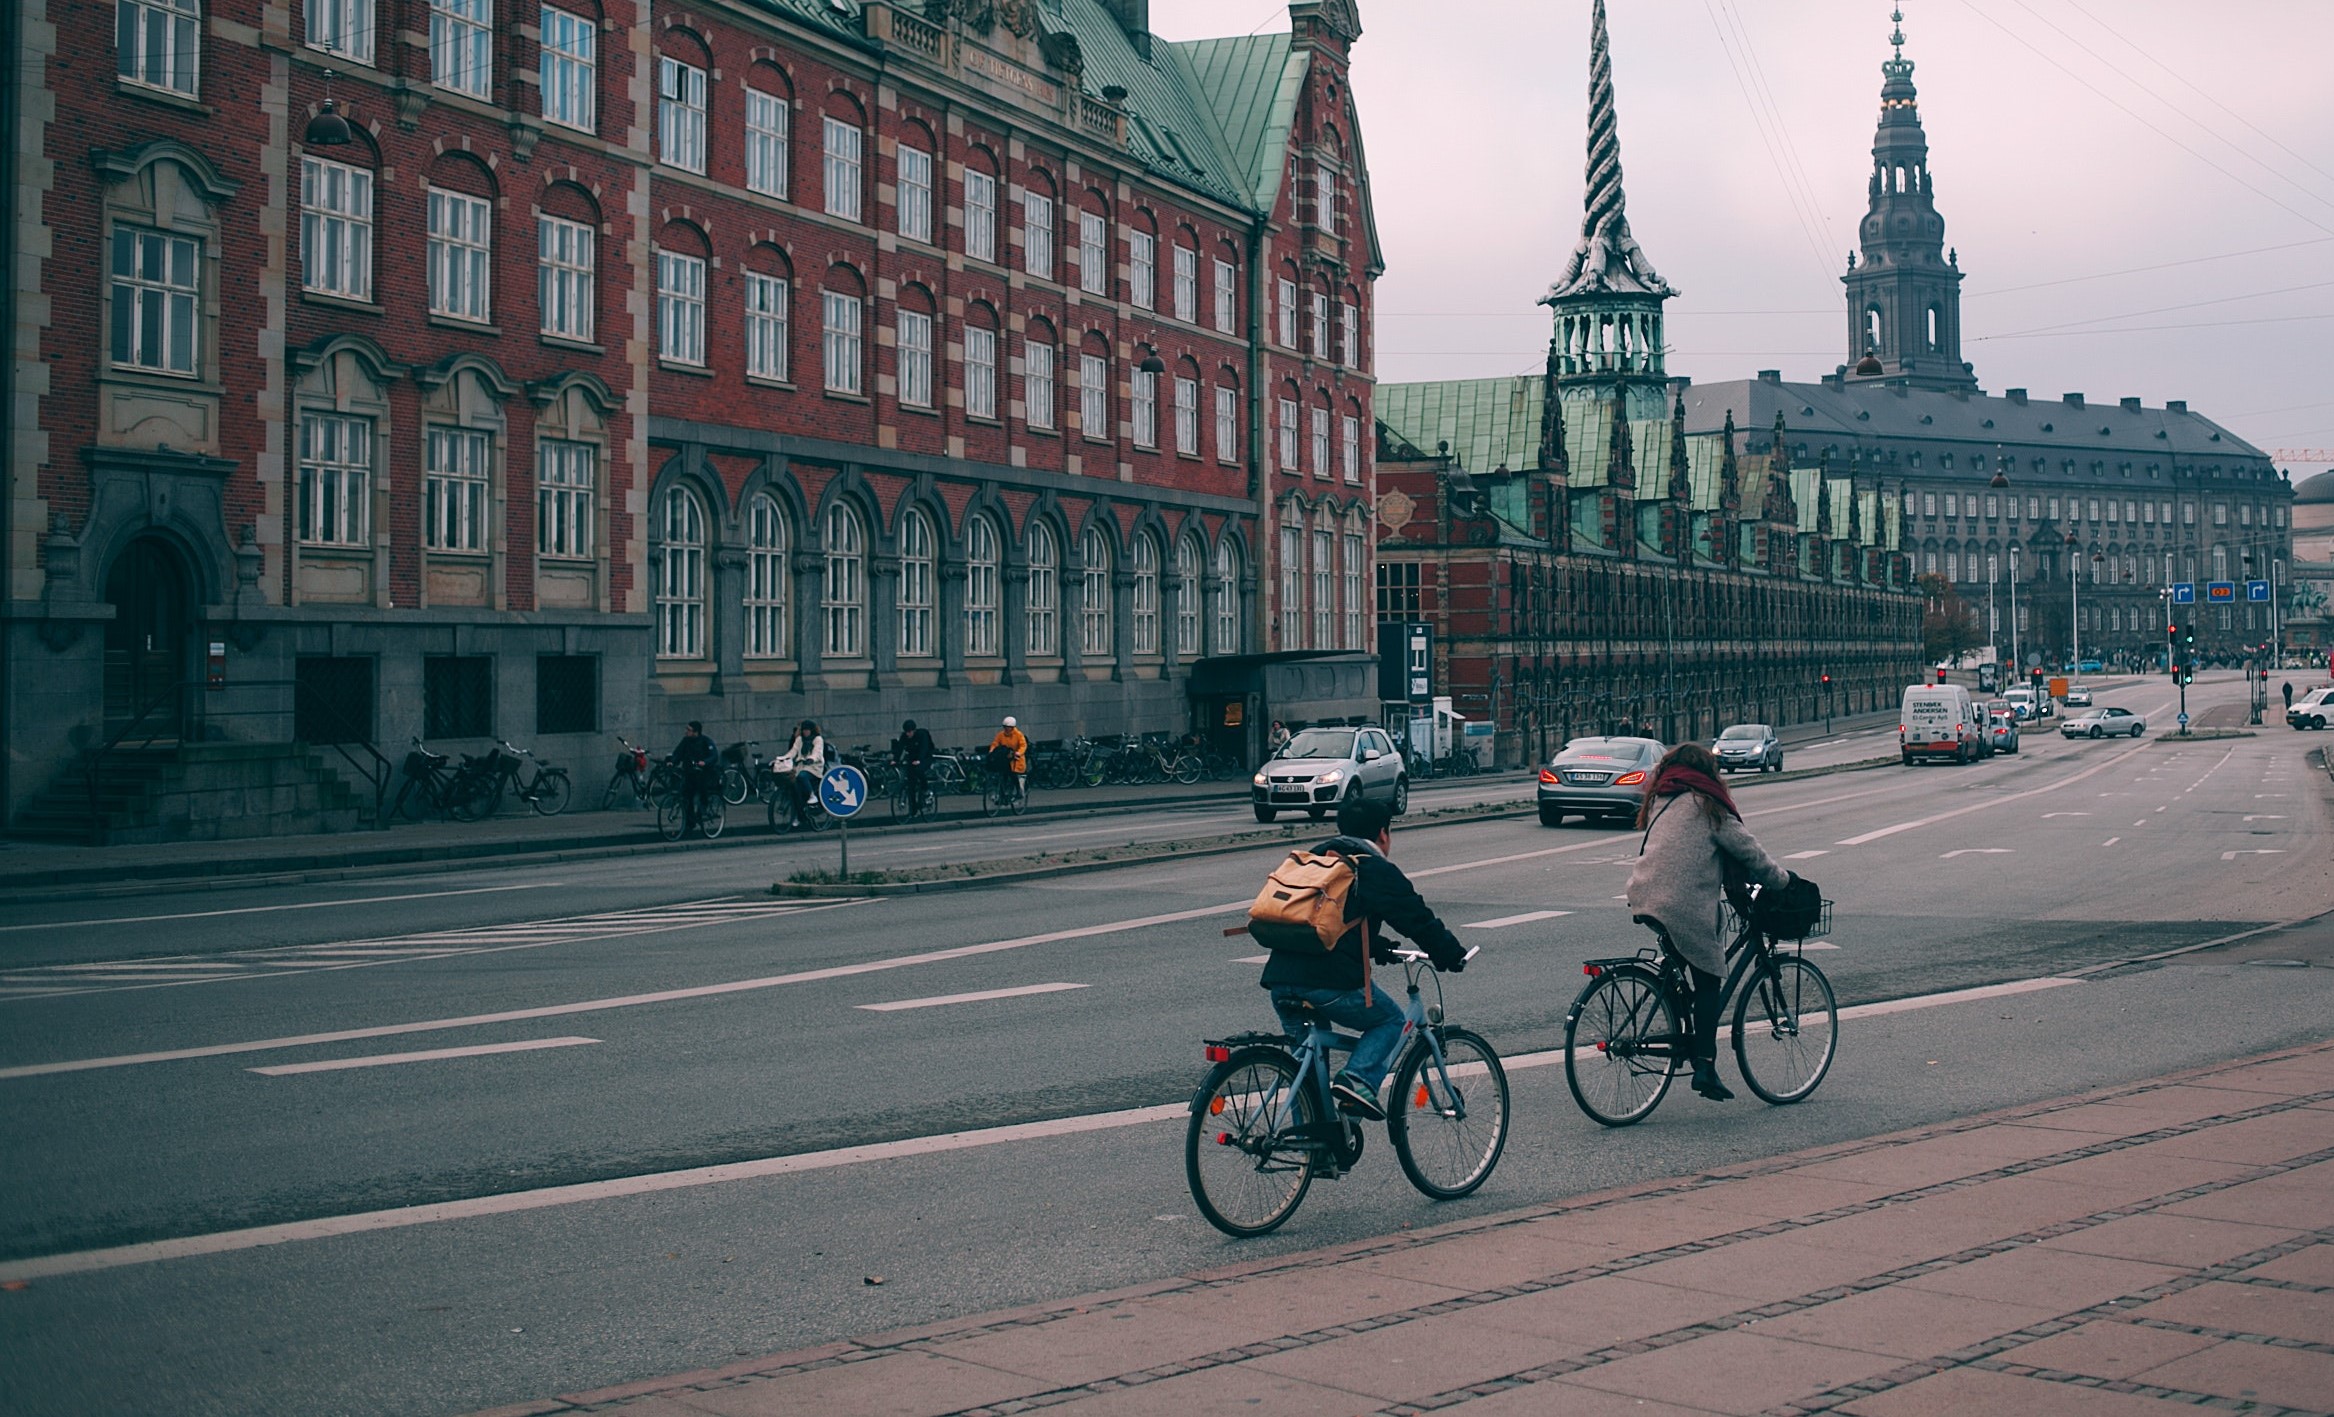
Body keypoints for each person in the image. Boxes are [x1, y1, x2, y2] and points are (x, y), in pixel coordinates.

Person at [1260, 795, 1468, 1121]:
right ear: (1383, 834)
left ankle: (1312, 1146)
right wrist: (1450, 954)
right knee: (1390, 1021)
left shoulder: (1315, 859)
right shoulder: (1371, 867)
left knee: (1307, 1069)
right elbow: (1416, 918)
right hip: (1328, 983)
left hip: (1281, 979)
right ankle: (1357, 1080)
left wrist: (1376, 946)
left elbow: (1329, 923)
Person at [1625, 743, 1793, 1102]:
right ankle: (1704, 1065)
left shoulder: (1663, 799)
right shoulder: (1707, 804)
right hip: (1681, 903)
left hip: (1644, 894)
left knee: (1688, 967)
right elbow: (1749, 850)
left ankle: (1682, 1025)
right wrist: (1783, 881)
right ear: (1707, 773)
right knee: (1709, 978)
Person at [772, 720, 827, 827]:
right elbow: (793, 751)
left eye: (807, 730)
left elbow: (817, 752)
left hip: (814, 767)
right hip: (801, 766)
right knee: (794, 790)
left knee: (802, 775)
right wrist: (783, 758)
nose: (805, 732)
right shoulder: (799, 739)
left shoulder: (818, 739)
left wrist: (811, 759)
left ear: (811, 730)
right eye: (804, 730)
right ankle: (799, 816)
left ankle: (812, 796)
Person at [669, 720, 719, 835]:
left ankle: (703, 811)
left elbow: (714, 755)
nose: (686, 732)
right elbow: (678, 753)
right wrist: (673, 762)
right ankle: (690, 822)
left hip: (703, 773)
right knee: (687, 797)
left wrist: (705, 762)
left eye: (689, 730)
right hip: (689, 772)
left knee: (702, 791)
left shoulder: (706, 741)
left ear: (696, 732)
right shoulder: (686, 741)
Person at [893, 718, 936, 817]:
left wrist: (920, 760)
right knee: (910, 784)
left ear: (914, 730)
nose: (908, 734)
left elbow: (924, 748)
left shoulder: (922, 735)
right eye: (906, 732)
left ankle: (925, 789)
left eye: (909, 732)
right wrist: (895, 759)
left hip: (925, 757)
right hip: (912, 758)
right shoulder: (904, 737)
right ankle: (913, 810)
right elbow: (900, 747)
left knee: (919, 770)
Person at [987, 716, 1028, 807]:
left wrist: (1018, 753)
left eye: (1008, 727)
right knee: (1003, 775)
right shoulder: (1000, 735)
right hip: (1005, 759)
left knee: (1013, 775)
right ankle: (1002, 795)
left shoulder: (1018, 735)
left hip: (1016, 760)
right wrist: (992, 751)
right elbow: (995, 743)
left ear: (1012, 727)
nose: (1006, 729)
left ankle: (1019, 792)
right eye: (1005, 727)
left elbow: (1023, 745)